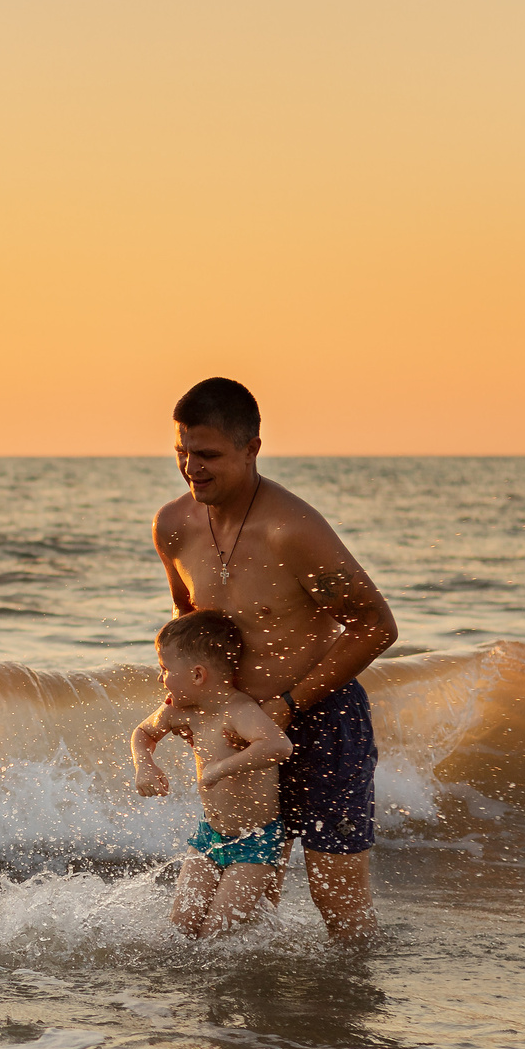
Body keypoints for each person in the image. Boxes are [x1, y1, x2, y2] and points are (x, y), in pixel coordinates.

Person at [152, 377, 397, 940]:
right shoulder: (174, 525)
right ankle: (256, 1031)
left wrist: (288, 704)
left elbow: (376, 626)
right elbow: (187, 622)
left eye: (208, 455)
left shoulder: (293, 530)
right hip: (236, 727)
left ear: (251, 448)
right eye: (182, 453)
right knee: (229, 918)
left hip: (321, 719)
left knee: (339, 907)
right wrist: (185, 696)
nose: (192, 467)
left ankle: (349, 1015)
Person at [132, 609, 294, 936]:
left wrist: (221, 767)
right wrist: (144, 764)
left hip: (255, 844)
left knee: (215, 937)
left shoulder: (239, 710)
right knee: (181, 929)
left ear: (197, 675)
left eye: (165, 669)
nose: (160, 679)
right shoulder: (180, 709)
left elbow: (278, 746)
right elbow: (143, 733)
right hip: (209, 836)